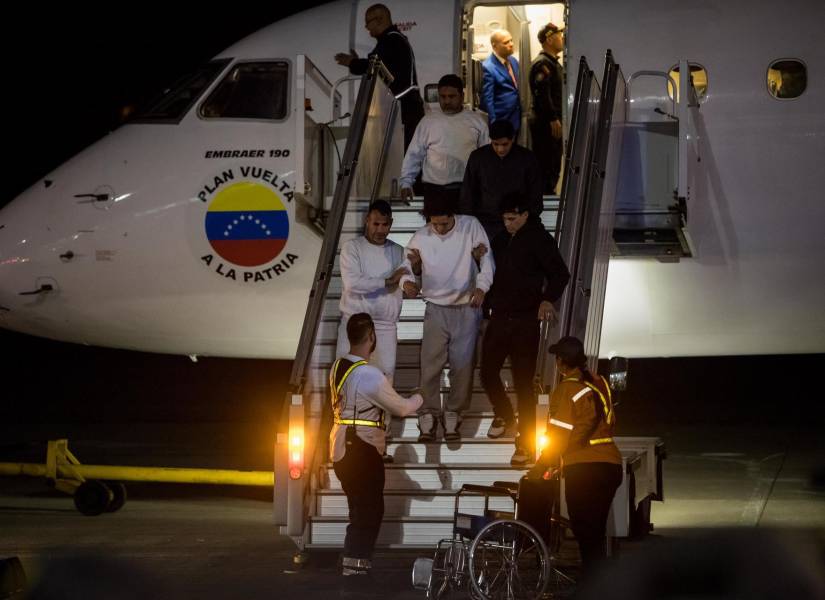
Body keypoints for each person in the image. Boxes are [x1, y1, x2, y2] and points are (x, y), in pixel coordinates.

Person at [330, 313, 423, 585]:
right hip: (361, 447)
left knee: (359, 508)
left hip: (341, 446)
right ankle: (356, 567)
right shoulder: (368, 374)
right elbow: (402, 408)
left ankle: (353, 562)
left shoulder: (339, 366)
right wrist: (421, 396)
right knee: (370, 510)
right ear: (371, 337)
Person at [481, 194, 570, 466]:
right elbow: (491, 272)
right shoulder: (500, 239)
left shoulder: (539, 239)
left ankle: (526, 444)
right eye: (504, 219)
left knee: (523, 384)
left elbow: (560, 273)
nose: (507, 223)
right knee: (487, 372)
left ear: (525, 215)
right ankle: (506, 414)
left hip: (524, 320)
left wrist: (546, 299)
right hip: (499, 317)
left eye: (512, 218)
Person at [524, 336, 622, 579]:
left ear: (560, 362)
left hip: (585, 469)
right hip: (610, 465)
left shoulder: (566, 389)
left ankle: (592, 585)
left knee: (584, 530)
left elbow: (558, 436)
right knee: (595, 530)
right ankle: (600, 583)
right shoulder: (599, 383)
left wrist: (541, 467)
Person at [400, 190, 494, 442]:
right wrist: (407, 282)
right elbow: (406, 264)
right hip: (435, 307)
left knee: (463, 365)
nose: (439, 228)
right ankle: (428, 412)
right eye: (434, 223)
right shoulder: (421, 236)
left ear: (454, 215)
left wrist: (482, 286)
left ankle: (454, 412)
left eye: (444, 223)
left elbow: (487, 259)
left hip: (467, 307)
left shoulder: (470, 226)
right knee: (430, 364)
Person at [334, 3, 425, 150]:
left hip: (403, 112)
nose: (366, 27)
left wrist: (352, 62)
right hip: (406, 110)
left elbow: (376, 66)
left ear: (380, 19)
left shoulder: (391, 40)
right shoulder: (394, 39)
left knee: (404, 159)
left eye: (368, 22)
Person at [337, 199, 406, 383]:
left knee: (384, 382)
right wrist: (388, 281)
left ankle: (383, 414)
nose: (380, 230)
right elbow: (352, 283)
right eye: (376, 224)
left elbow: (408, 279)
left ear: (391, 223)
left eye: (385, 224)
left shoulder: (400, 252)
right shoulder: (352, 248)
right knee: (347, 379)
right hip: (354, 325)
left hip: (385, 327)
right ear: (366, 221)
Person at [399, 74, 489, 207]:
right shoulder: (428, 122)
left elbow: (486, 158)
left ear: (462, 96)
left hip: (467, 190)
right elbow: (414, 154)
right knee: (436, 228)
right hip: (434, 190)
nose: (447, 101)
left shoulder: (476, 122)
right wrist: (406, 182)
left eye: (452, 97)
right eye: (442, 97)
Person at [459, 119, 543, 240]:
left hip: (518, 222)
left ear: (512, 139)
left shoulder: (527, 159)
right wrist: (471, 223)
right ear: (490, 140)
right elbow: (467, 194)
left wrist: (523, 216)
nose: (500, 149)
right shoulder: (478, 158)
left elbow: (535, 195)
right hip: (486, 223)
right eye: (496, 144)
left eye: (505, 144)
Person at [529, 23, 565, 194]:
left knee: (553, 164)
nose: (563, 39)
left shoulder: (552, 63)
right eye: (560, 35)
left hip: (552, 122)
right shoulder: (543, 64)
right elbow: (542, 94)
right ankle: (544, 201)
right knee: (547, 165)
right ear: (550, 39)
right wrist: (553, 118)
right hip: (546, 124)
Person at [480, 30, 522, 135]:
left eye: (511, 40)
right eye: (506, 42)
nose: (511, 44)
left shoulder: (513, 61)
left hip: (516, 117)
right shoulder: (488, 67)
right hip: (501, 120)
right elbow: (487, 100)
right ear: (495, 46)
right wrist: (493, 124)